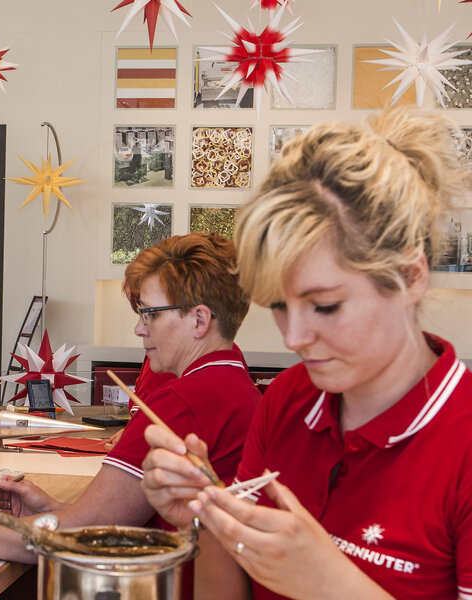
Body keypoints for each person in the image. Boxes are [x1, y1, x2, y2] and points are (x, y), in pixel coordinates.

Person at [141, 109, 472, 599]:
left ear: (410, 276)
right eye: (279, 305)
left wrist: (331, 583)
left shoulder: (459, 440)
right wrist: (206, 517)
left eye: (324, 306)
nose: (293, 337)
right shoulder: (290, 398)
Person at [0, 233, 260, 597]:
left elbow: (79, 536)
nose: (139, 328)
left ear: (199, 320)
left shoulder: (181, 403)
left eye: (149, 313)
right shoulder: (236, 384)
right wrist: (57, 508)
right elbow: (114, 519)